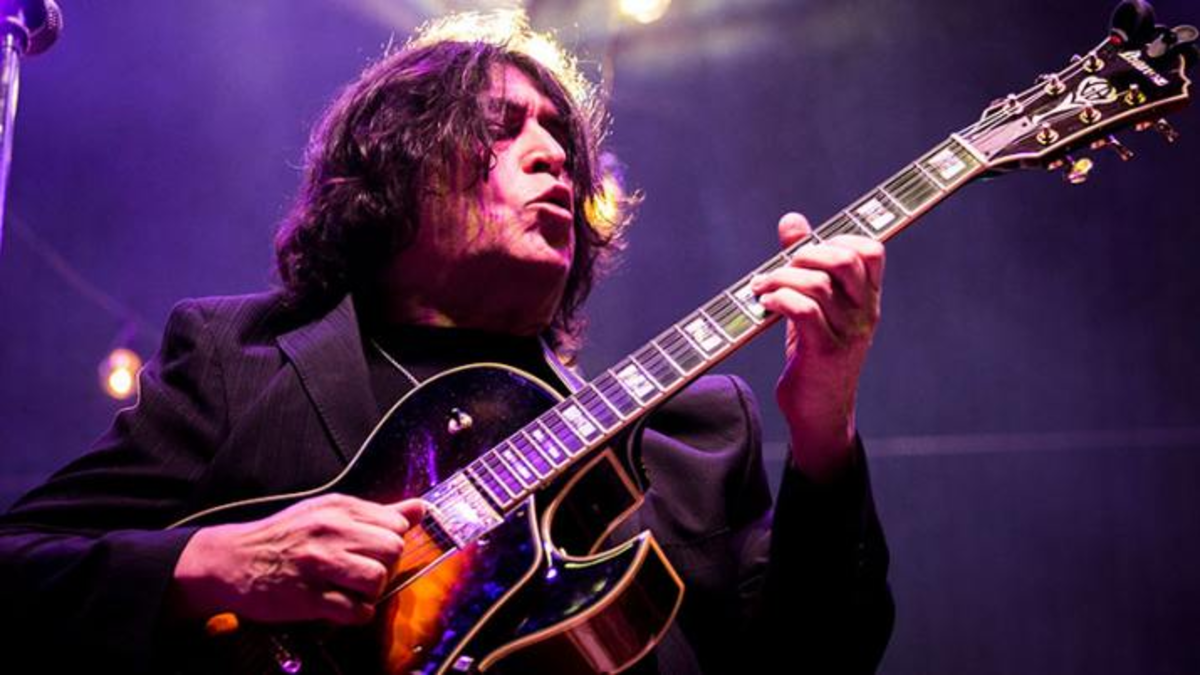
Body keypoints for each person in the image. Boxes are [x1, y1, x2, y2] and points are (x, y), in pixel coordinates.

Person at [0, 10, 892, 674]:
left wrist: (826, 424)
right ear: (393, 171)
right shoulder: (239, 359)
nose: (553, 157)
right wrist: (217, 561)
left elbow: (821, 659)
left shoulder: (690, 437)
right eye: (502, 130)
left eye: (563, 142)